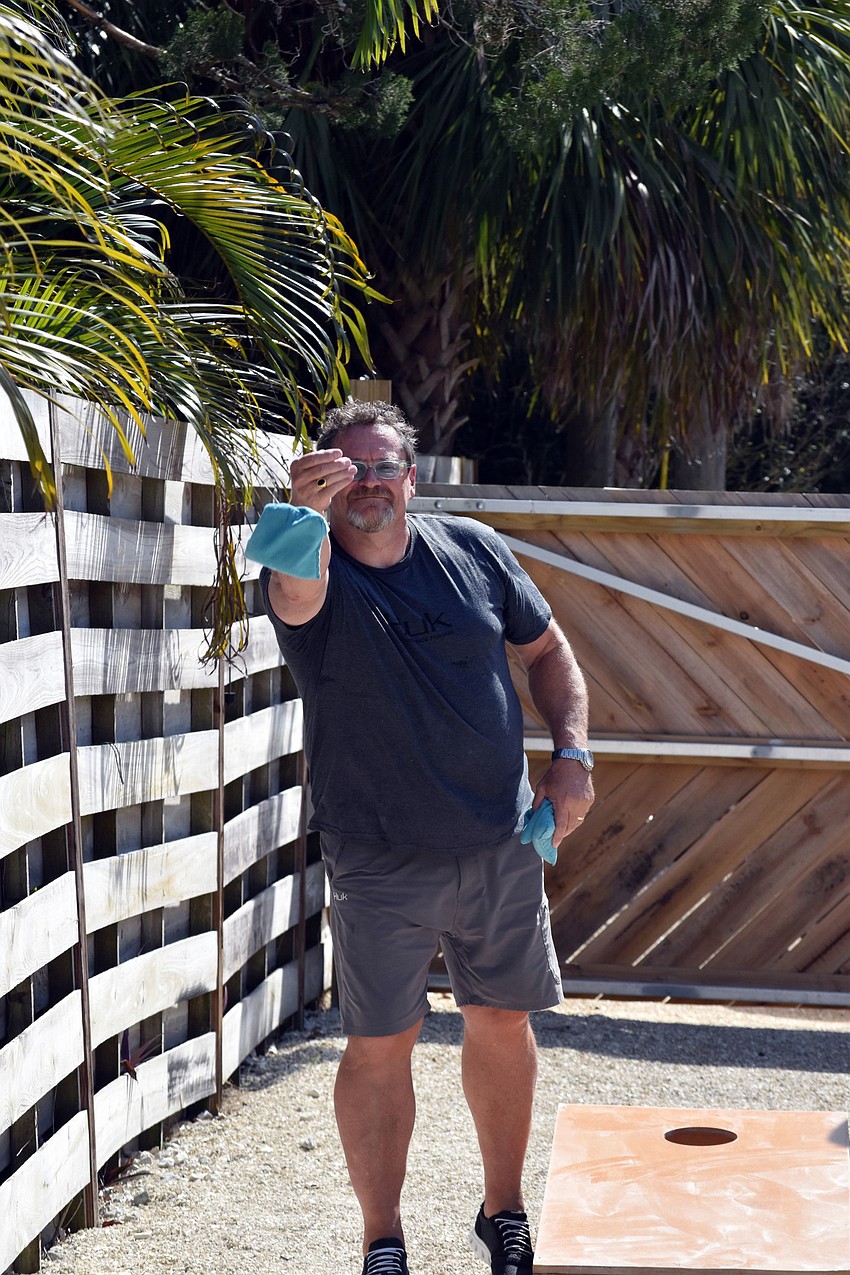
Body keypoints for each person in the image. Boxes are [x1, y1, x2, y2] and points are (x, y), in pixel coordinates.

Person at [254, 400, 594, 1275]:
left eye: (382, 467)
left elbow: (550, 652)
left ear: (413, 477)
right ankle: (382, 1239)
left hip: (500, 839)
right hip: (378, 852)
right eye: (348, 469)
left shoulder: (475, 549)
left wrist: (573, 754)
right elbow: (294, 593)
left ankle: (503, 1212)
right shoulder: (309, 556)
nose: (367, 484)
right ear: (327, 483)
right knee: (378, 1043)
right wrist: (297, 509)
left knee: (503, 1019)